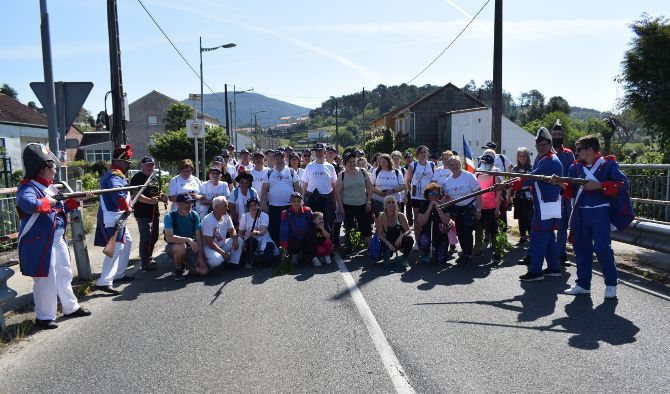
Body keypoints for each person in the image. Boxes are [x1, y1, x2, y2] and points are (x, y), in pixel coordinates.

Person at [16, 143, 92, 329]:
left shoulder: (50, 187)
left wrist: (75, 200)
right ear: (43, 169)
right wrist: (48, 201)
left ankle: (70, 307)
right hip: (40, 242)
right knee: (46, 278)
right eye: (52, 167)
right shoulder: (29, 187)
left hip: (56, 238)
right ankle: (44, 316)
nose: (55, 170)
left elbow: (61, 207)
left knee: (64, 273)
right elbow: (26, 204)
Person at [561, 135, 633, 299]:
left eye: (579, 150)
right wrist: (560, 183)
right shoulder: (575, 168)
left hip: (601, 212)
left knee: (602, 248)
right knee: (581, 248)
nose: (576, 153)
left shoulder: (608, 165)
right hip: (581, 212)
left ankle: (611, 283)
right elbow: (570, 191)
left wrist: (600, 185)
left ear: (590, 150)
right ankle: (583, 284)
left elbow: (623, 184)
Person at [515, 127, 564, 281]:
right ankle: (554, 268)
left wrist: (509, 185)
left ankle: (536, 271)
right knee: (548, 237)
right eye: (538, 145)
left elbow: (529, 178)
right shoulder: (544, 159)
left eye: (543, 145)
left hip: (545, 206)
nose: (541, 148)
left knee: (537, 237)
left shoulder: (550, 161)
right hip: (547, 204)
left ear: (550, 144)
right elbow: (530, 177)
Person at [94, 144, 135, 293]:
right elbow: (117, 194)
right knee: (117, 248)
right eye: (125, 162)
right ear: (118, 161)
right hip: (112, 216)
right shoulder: (115, 175)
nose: (128, 164)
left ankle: (118, 274)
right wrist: (127, 207)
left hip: (117, 215)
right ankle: (104, 281)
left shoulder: (116, 174)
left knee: (127, 242)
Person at [441, 156, 481, 265]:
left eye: (456, 164)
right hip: (457, 209)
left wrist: (478, 209)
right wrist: (445, 199)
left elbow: (478, 193)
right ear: (449, 167)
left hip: (469, 208)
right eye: (452, 165)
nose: (455, 166)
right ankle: (464, 253)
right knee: (460, 232)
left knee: (467, 232)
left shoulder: (469, 176)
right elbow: (448, 197)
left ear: (460, 164)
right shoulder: (447, 181)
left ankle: (468, 255)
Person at [130, 156, 167, 271]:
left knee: (154, 236)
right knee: (146, 237)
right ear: (141, 166)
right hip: (142, 213)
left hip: (154, 212)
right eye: (147, 165)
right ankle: (145, 261)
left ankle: (149, 256)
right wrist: (150, 201)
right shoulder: (137, 178)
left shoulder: (155, 178)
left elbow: (158, 191)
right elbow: (136, 195)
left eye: (151, 165)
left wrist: (162, 197)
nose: (149, 167)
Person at [261, 150, 301, 244]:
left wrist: (300, 203)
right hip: (273, 206)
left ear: (285, 158)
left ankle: (288, 250)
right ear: (274, 159)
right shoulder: (269, 173)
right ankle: (276, 249)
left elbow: (298, 188)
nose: (279, 160)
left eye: (281, 157)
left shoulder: (291, 171)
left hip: (288, 206)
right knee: (274, 228)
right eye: (277, 158)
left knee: (289, 228)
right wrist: (263, 204)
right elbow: (264, 190)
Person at [335, 152, 373, 247]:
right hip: (348, 205)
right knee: (350, 228)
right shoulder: (342, 175)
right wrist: (341, 207)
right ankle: (351, 246)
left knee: (366, 227)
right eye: (349, 162)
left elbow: (369, 187)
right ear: (345, 163)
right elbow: (338, 192)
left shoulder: (363, 171)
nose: (352, 163)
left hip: (363, 204)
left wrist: (368, 201)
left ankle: (371, 248)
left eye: (353, 161)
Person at [164, 193, 206, 280]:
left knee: (204, 271)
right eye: (186, 203)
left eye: (190, 203)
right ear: (178, 204)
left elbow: (198, 236)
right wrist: (187, 240)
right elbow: (169, 238)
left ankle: (185, 262)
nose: (189, 205)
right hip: (175, 246)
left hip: (191, 247)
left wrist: (200, 256)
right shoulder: (169, 216)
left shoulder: (195, 215)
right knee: (181, 247)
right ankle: (178, 269)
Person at [551, 120, 576, 266]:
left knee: (561, 226)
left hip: (564, 195)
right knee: (547, 225)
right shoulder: (546, 153)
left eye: (559, 134)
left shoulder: (568, 154)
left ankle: (561, 254)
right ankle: (548, 253)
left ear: (563, 136)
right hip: (548, 196)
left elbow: (572, 173)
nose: (557, 136)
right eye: (554, 134)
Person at [474, 154, 503, 264]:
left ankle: (497, 252)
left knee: (494, 230)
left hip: (491, 207)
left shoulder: (495, 176)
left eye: (487, 163)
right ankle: (478, 249)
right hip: (480, 207)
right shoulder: (477, 175)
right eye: (483, 163)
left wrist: (497, 209)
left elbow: (499, 194)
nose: (484, 165)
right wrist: (477, 208)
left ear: (492, 165)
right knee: (478, 228)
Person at [302, 143, 337, 233]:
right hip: (311, 200)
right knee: (311, 224)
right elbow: (304, 185)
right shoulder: (309, 166)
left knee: (327, 223)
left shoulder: (330, 167)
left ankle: (328, 244)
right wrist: (303, 200)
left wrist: (335, 202)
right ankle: (313, 245)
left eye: (321, 151)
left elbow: (334, 186)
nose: (319, 153)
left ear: (325, 152)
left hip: (326, 201)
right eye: (317, 151)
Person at [202, 196, 243, 269]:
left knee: (239, 240)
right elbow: (209, 243)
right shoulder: (208, 220)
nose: (227, 208)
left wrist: (235, 240)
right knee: (218, 260)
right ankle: (206, 264)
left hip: (222, 245)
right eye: (225, 206)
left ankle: (232, 263)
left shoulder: (226, 215)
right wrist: (223, 253)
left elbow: (232, 230)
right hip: (209, 248)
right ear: (216, 207)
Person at [416, 183, 452, 264]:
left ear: (440, 195)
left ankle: (437, 251)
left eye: (437, 194)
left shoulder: (444, 205)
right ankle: (426, 253)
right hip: (427, 233)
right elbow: (421, 222)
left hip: (441, 235)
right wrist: (429, 208)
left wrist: (438, 208)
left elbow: (446, 221)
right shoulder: (424, 205)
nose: (434, 196)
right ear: (427, 194)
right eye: (431, 193)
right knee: (423, 241)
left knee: (441, 260)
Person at [239, 197, 278, 268]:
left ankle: (263, 255)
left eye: (255, 204)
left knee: (269, 261)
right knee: (250, 242)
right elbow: (241, 233)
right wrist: (242, 243)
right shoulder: (244, 217)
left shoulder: (265, 215)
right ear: (248, 208)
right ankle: (249, 259)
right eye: (251, 205)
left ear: (258, 205)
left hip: (264, 239)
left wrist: (255, 232)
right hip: (251, 240)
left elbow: (262, 232)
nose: (253, 207)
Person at [376, 195, 413, 268]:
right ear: (385, 205)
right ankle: (386, 256)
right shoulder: (381, 216)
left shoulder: (400, 215)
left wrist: (401, 237)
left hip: (398, 241)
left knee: (410, 239)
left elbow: (408, 230)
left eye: (393, 202)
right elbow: (379, 234)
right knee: (383, 247)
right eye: (388, 202)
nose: (391, 204)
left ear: (395, 204)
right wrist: (388, 244)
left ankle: (404, 259)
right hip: (388, 241)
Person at [405, 145, 435, 235]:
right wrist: (411, 192)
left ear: (427, 154)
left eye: (424, 152)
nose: (423, 154)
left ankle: (428, 241)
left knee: (428, 219)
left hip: (428, 197)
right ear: (417, 154)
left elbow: (435, 180)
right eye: (421, 152)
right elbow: (407, 181)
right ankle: (417, 243)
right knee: (417, 219)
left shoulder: (432, 165)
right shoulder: (413, 165)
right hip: (416, 197)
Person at [279, 192, 314, 265]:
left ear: (302, 202)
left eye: (298, 201)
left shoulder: (307, 211)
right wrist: (284, 244)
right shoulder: (286, 213)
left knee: (311, 236)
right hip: (294, 238)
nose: (296, 203)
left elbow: (312, 225)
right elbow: (284, 230)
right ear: (290, 202)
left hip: (305, 237)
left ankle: (311, 256)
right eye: (294, 201)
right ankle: (294, 255)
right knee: (294, 244)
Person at [512, 147, 533, 245]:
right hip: (517, 196)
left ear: (527, 157)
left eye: (524, 156)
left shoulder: (531, 168)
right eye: (520, 156)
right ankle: (523, 237)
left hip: (528, 195)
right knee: (520, 217)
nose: (522, 157)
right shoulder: (514, 169)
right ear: (517, 157)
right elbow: (511, 184)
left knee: (528, 217)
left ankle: (532, 236)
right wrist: (509, 196)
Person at [402, 151, 415, 225]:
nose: (409, 159)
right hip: (408, 188)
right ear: (405, 159)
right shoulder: (403, 169)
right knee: (408, 205)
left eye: (410, 157)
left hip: (416, 188)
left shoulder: (416, 166)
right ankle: (410, 221)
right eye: (407, 158)